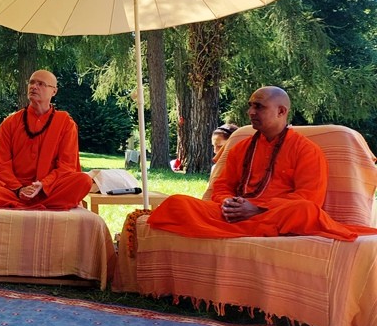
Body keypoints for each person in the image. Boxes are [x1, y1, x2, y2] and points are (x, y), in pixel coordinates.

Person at [148, 86, 366, 241]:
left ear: (281, 111)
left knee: (305, 211)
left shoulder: (306, 150)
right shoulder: (241, 148)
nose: (251, 112)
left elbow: (310, 198)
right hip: (233, 216)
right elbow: (222, 186)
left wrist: (257, 208)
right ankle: (243, 226)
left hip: (273, 215)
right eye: (250, 106)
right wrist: (230, 204)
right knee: (177, 203)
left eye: (259, 107)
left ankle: (243, 226)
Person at [0, 69, 93, 209]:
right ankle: (36, 204)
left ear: (54, 91)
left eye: (41, 84)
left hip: (48, 189)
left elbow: (66, 166)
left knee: (84, 181)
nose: (34, 86)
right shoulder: (10, 123)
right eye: (32, 82)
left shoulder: (66, 124)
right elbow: (1, 165)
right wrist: (19, 189)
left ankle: (26, 204)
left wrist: (43, 185)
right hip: (13, 190)